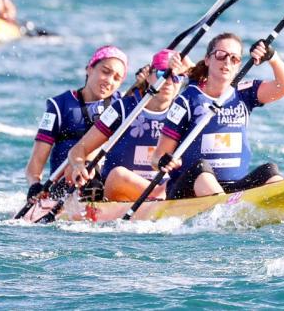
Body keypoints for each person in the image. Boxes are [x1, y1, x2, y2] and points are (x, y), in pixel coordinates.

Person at [153, 33, 284, 199]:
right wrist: (163, 162)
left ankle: (281, 203)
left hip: (231, 189)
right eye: (221, 55)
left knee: (270, 170)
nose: (227, 62)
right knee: (202, 168)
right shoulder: (186, 100)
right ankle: (226, 209)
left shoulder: (244, 93)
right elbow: (157, 158)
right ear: (207, 59)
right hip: (189, 188)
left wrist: (272, 57)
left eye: (234, 58)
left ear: (239, 65)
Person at [64, 49, 193, 202]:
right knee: (118, 174)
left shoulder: (185, 111)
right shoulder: (122, 109)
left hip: (164, 188)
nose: (169, 81)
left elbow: (217, 80)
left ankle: (161, 195)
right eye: (162, 74)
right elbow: (79, 149)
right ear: (149, 76)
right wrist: (79, 166)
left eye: (176, 76)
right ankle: (159, 194)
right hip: (119, 191)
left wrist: (190, 66)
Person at [24, 46, 127, 200]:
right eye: (105, 72)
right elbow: (37, 160)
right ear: (89, 69)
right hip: (67, 186)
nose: (109, 81)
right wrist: (34, 184)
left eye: (117, 78)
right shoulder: (59, 106)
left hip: (106, 186)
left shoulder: (124, 104)